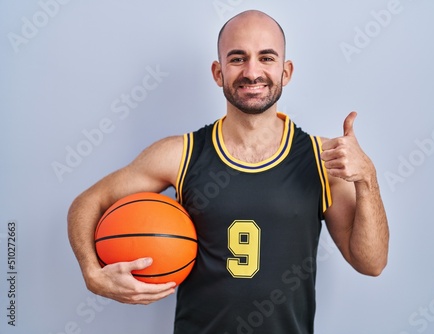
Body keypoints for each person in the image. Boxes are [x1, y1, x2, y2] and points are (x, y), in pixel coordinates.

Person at [67, 9, 389, 334]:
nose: (252, 72)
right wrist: (92, 274)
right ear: (218, 72)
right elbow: (88, 202)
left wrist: (367, 178)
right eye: (237, 59)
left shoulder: (323, 159)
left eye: (266, 58)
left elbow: (371, 263)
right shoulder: (181, 153)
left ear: (286, 71)